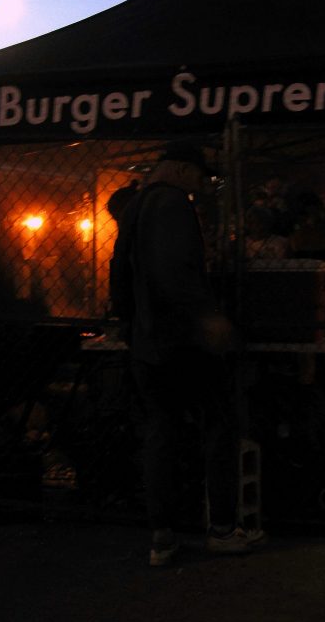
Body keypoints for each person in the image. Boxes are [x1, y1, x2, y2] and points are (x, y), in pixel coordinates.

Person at [113, 139, 265, 566]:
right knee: (219, 425)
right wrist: (207, 318)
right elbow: (175, 269)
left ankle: (162, 536)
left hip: (148, 344)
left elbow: (118, 270)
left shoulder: (136, 206)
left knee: (161, 432)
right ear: (181, 170)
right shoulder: (174, 204)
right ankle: (222, 528)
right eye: (199, 177)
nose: (200, 186)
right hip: (184, 343)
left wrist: (128, 324)